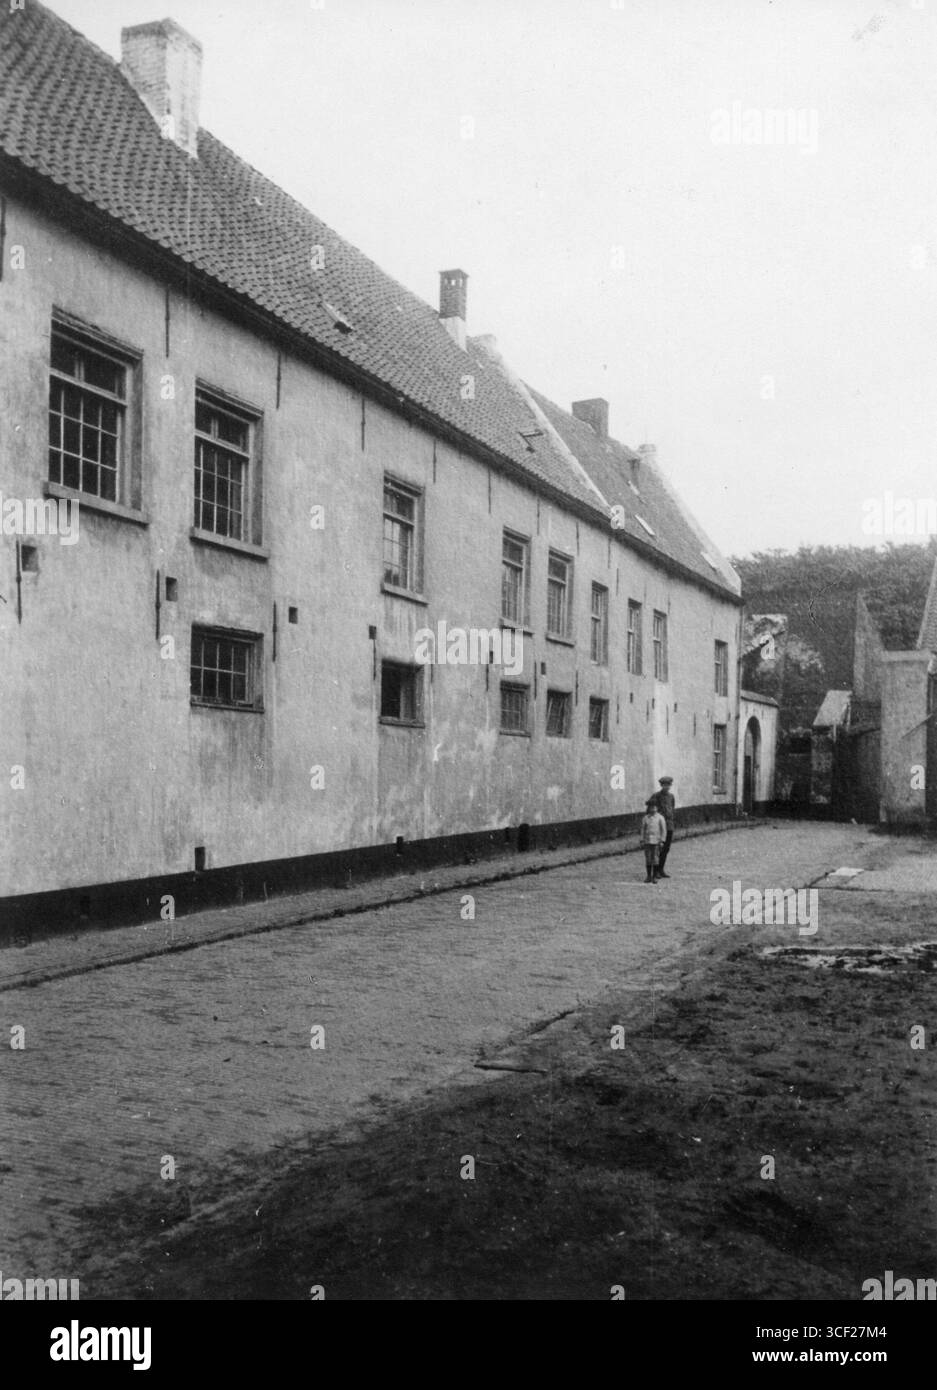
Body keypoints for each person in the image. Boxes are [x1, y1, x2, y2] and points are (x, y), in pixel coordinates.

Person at [639, 797, 667, 883]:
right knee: (648, 858)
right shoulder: (645, 818)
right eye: (651, 807)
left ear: (657, 808)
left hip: (656, 842)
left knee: (655, 859)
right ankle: (648, 876)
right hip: (647, 841)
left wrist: (662, 841)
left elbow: (663, 830)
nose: (652, 809)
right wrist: (642, 839)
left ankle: (655, 876)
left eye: (654, 807)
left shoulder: (660, 818)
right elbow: (642, 829)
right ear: (648, 808)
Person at [654, 776, 675, 878]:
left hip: (669, 826)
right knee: (658, 848)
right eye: (664, 785)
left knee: (666, 848)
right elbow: (651, 810)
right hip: (659, 826)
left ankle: (661, 869)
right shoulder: (656, 796)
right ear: (661, 785)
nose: (666, 787)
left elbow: (672, 809)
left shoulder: (671, 797)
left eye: (668, 785)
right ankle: (656, 871)